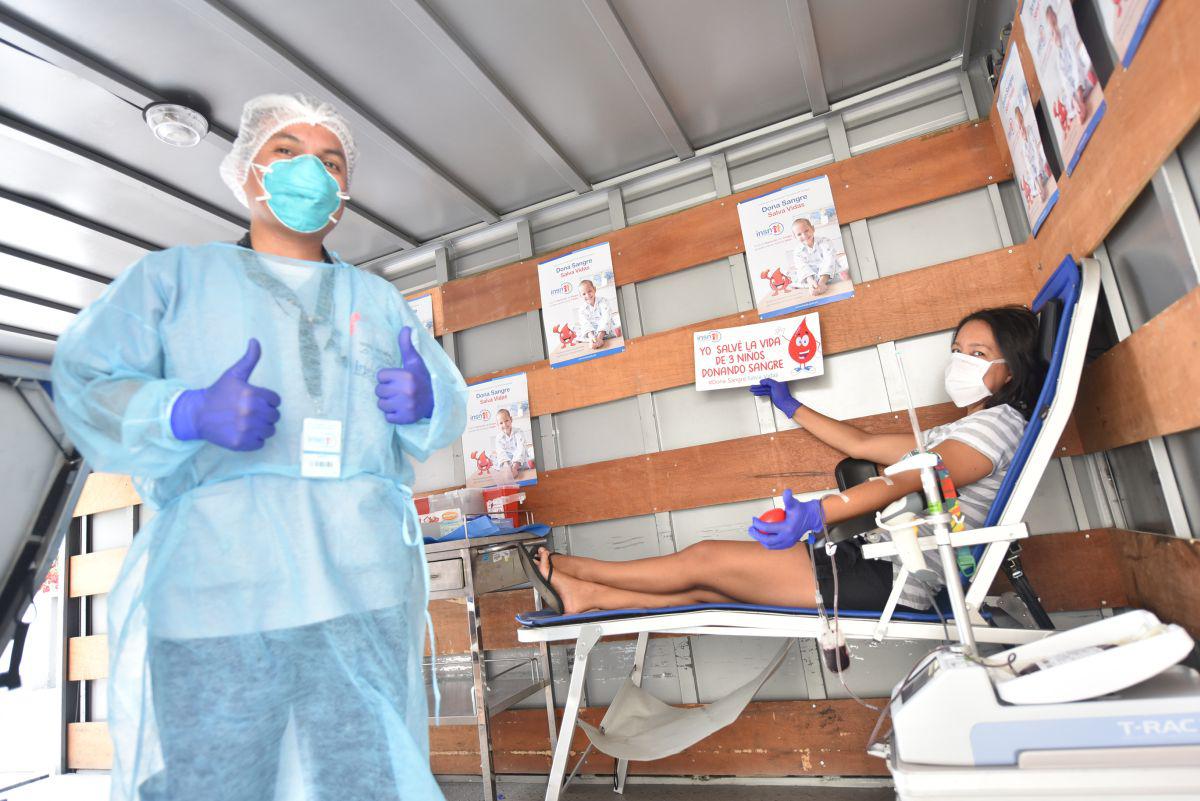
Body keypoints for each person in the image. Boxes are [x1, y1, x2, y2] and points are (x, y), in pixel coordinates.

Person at [51, 93, 467, 801]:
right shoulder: (174, 281)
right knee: (217, 780)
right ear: (246, 171)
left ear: (344, 193)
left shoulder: (379, 297)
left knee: (363, 778)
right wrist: (184, 412)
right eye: (286, 152)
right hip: (220, 592)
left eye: (330, 162)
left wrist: (426, 404)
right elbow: (84, 379)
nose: (311, 172)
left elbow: (446, 404)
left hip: (358, 587)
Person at [525, 307, 1040, 616]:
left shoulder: (995, 427)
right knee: (712, 589)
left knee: (707, 560)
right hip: (881, 568)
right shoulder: (959, 429)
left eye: (976, 352)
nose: (959, 360)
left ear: (1011, 368)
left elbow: (909, 477)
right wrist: (790, 404)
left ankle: (569, 567)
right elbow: (861, 445)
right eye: (957, 348)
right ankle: (585, 595)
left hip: (894, 581)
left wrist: (819, 514)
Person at [1046, 5, 1094, 127]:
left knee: (1083, 65)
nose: (1052, 22)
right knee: (1065, 99)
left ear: (1055, 18)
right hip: (1071, 88)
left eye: (1053, 18)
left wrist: (1078, 93)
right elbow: (1063, 76)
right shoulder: (1055, 48)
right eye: (1049, 21)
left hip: (1080, 77)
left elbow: (1074, 61)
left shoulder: (1065, 31)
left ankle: (1080, 101)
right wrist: (1072, 97)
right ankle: (1077, 105)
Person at [788, 218, 849, 297]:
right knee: (792, 275)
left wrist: (822, 282)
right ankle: (812, 285)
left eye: (806, 231)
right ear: (795, 236)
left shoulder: (825, 241)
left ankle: (825, 281)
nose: (804, 235)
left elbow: (829, 260)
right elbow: (802, 266)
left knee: (845, 261)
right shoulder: (797, 251)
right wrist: (810, 281)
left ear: (813, 228)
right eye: (799, 234)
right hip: (811, 273)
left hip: (827, 270)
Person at [577, 278, 621, 350]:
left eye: (589, 291)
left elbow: (606, 317)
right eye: (584, 294)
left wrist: (599, 337)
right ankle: (592, 340)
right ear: (580, 295)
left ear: (594, 289)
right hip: (592, 329)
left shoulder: (603, 301)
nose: (587, 295)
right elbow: (585, 322)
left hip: (604, 328)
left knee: (612, 321)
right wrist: (591, 337)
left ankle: (601, 338)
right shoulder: (582, 308)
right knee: (577, 330)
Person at [492, 407, 530, 482]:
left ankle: (518, 467)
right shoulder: (498, 437)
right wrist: (507, 467)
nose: (505, 424)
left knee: (524, 453)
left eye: (506, 421)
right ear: (497, 424)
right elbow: (501, 452)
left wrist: (515, 467)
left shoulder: (519, 432)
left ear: (511, 419)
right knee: (495, 458)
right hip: (508, 458)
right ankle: (508, 469)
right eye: (501, 423)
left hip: (518, 458)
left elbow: (521, 449)